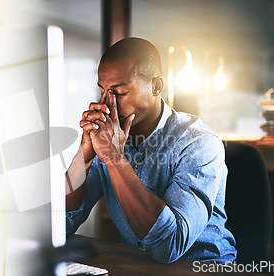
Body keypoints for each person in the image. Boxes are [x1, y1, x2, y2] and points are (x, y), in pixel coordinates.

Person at [65, 37, 237, 264]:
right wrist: (84, 157)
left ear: (156, 87)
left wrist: (114, 158)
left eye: (119, 92)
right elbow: (61, 224)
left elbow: (169, 246)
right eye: (103, 91)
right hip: (141, 266)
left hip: (202, 267)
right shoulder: (109, 139)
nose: (107, 104)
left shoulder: (199, 143)